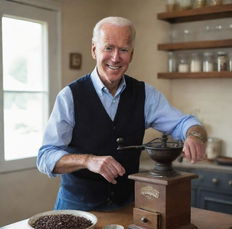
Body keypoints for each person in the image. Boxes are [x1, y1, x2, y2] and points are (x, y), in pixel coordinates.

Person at [37, 16, 207, 211]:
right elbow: (45, 156)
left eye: (123, 50)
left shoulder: (146, 95)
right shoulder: (69, 96)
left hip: (127, 208)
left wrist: (194, 136)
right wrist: (87, 161)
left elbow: (184, 123)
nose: (116, 58)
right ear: (94, 49)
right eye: (108, 47)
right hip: (76, 209)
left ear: (131, 54)